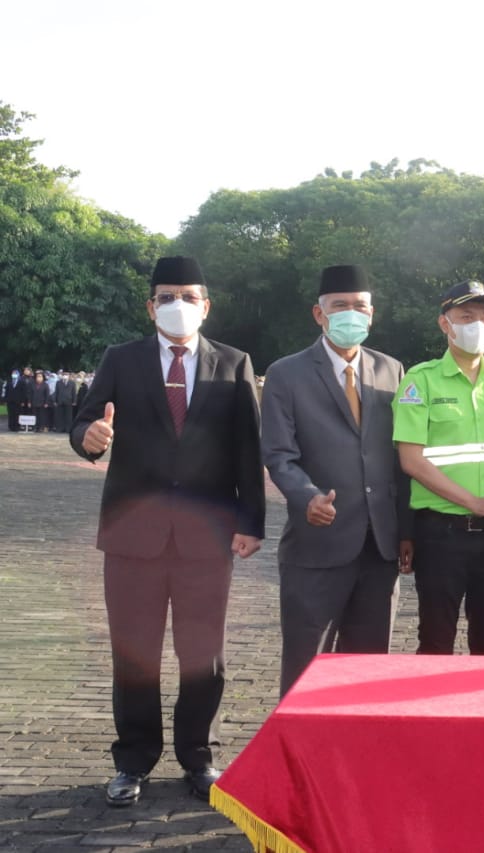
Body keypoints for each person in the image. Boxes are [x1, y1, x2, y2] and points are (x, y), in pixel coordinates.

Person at [69, 256, 265, 807]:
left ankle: (198, 756)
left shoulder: (233, 363)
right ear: (150, 305)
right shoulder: (122, 360)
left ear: (206, 304)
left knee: (203, 653)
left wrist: (251, 522)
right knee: (135, 652)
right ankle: (132, 760)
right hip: (134, 537)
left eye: (188, 295)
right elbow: (83, 421)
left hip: (208, 536)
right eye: (166, 295)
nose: (177, 304)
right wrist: (91, 436)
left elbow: (248, 449)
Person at [260, 265, 413, 698]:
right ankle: (302, 758)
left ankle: (358, 758)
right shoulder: (286, 374)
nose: (351, 314)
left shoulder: (392, 370)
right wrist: (306, 496)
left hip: (379, 547)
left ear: (372, 313)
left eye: (360, 307)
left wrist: (406, 530)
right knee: (306, 669)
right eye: (340, 306)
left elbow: (402, 455)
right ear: (319, 313)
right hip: (317, 543)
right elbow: (278, 453)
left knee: (367, 671)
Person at [393, 280, 484, 655]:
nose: (478, 325)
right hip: (441, 534)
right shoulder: (420, 381)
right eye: (466, 316)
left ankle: (482, 713)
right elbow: (411, 460)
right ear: (445, 324)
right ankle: (434, 715)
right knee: (436, 638)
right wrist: (473, 501)